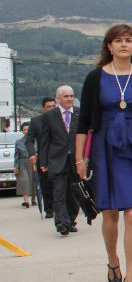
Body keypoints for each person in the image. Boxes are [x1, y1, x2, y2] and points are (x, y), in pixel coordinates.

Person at [76, 24, 132, 282]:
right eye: (118, 40)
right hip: (104, 149)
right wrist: (80, 158)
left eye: (129, 40)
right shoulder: (95, 78)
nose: (124, 45)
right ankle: (113, 261)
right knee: (109, 213)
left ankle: (131, 278)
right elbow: (84, 121)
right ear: (109, 46)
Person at [38, 85, 80, 236]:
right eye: (66, 96)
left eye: (71, 96)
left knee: (74, 193)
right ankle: (61, 223)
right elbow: (44, 140)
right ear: (58, 99)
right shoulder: (50, 116)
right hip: (57, 160)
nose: (69, 99)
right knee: (59, 192)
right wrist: (43, 162)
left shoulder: (79, 114)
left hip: (76, 161)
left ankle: (71, 220)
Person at [27, 97, 57, 218]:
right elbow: (29, 140)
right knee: (46, 185)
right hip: (44, 157)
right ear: (43, 108)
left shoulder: (61, 119)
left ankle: (61, 208)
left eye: (53, 106)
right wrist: (32, 153)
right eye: (48, 106)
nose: (51, 109)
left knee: (61, 184)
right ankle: (49, 209)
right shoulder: (36, 121)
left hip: (59, 156)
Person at [14, 122, 34, 208]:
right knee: (24, 181)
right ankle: (25, 201)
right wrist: (16, 166)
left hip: (33, 162)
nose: (26, 131)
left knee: (33, 181)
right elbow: (16, 155)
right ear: (22, 131)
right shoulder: (18, 142)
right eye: (24, 129)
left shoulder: (35, 140)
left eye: (28, 129)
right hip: (22, 163)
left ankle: (34, 199)